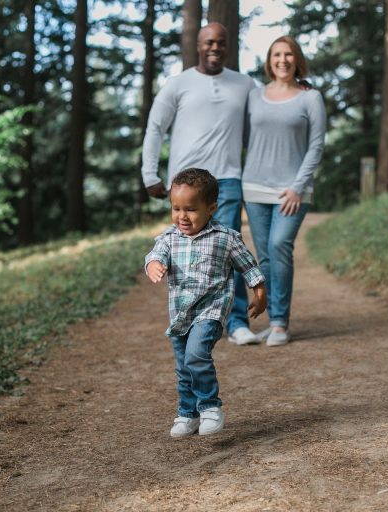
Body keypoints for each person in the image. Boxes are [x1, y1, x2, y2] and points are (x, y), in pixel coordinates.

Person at [141, 22, 261, 345]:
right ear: (198, 45)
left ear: (228, 47)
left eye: (221, 42)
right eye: (209, 42)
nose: (215, 47)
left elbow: (262, 123)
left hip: (228, 179)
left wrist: (298, 86)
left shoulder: (245, 84)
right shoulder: (177, 84)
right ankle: (193, 318)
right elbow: (155, 128)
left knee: (229, 249)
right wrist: (150, 175)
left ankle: (236, 323)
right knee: (186, 253)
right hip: (185, 184)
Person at [145, 169, 267, 437]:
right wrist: (153, 264)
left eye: (190, 209)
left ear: (211, 208)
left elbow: (249, 267)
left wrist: (260, 293)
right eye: (176, 209)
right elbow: (155, 255)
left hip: (211, 310)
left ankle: (210, 407)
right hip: (180, 314)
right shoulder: (169, 238)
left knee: (196, 355)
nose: (182, 216)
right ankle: (188, 414)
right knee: (183, 366)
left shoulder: (225, 238)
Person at [242, 35, 326, 347]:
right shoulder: (254, 96)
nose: (282, 60)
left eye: (288, 54)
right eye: (276, 54)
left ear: (297, 60)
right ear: (269, 60)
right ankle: (273, 320)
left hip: (293, 190)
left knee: (279, 245)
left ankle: (280, 324)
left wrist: (297, 186)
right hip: (254, 186)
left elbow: (316, 146)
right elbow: (247, 138)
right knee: (264, 256)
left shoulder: (310, 98)